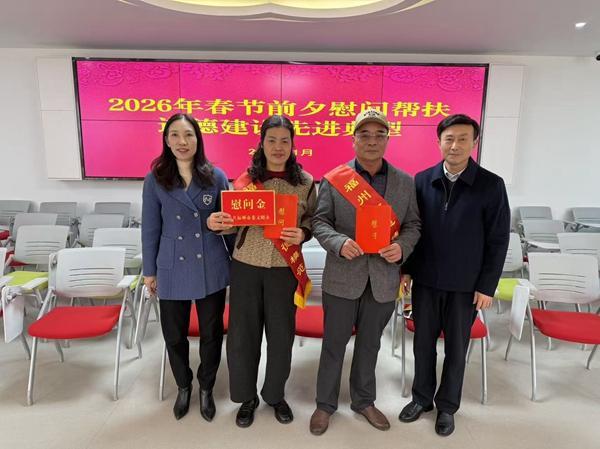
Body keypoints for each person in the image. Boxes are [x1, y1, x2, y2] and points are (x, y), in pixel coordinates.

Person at [309, 109, 421, 435]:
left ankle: (363, 401)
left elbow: (413, 225)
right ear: (353, 139)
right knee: (334, 344)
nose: (372, 141)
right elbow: (320, 222)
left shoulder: (405, 182)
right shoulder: (335, 179)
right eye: (365, 135)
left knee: (370, 344)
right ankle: (325, 404)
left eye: (379, 135)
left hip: (383, 278)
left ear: (387, 139)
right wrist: (339, 242)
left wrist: (402, 247)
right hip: (342, 276)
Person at [398, 114, 510, 436]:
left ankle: (447, 406)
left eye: (463, 139)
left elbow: (498, 240)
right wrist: (406, 269)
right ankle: (421, 399)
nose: (455, 145)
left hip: (465, 286)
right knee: (422, 344)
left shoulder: (491, 185)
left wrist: (487, 286)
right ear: (439, 142)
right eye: (449, 139)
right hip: (426, 281)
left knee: (456, 349)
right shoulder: (422, 180)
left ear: (474, 142)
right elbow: (412, 229)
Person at [207, 115, 317, 428]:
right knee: (243, 337)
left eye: (285, 141)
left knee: (281, 337)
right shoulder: (244, 181)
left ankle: (274, 395)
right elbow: (230, 223)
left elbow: (313, 219)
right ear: (261, 143)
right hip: (246, 266)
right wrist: (217, 223)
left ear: (293, 145)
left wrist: (303, 233)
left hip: (284, 269)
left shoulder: (306, 183)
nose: (278, 147)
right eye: (272, 140)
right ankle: (247, 398)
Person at [142, 113, 232, 421]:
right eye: (175, 135)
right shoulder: (155, 179)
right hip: (171, 265)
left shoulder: (216, 176)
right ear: (166, 140)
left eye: (189, 135)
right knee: (174, 335)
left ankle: (206, 387)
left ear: (198, 139)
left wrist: (236, 258)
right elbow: (150, 228)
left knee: (211, 333)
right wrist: (150, 271)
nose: (183, 141)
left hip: (210, 264)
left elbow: (229, 223)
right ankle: (183, 385)